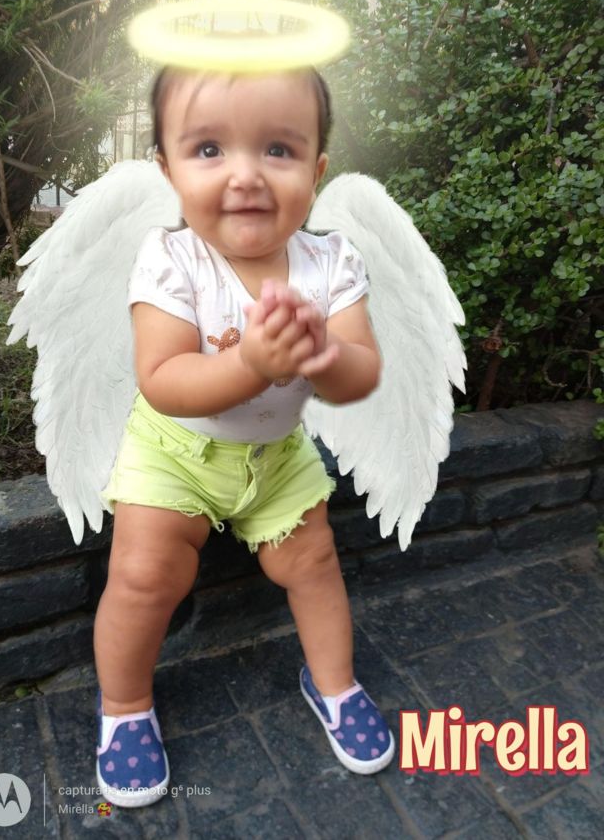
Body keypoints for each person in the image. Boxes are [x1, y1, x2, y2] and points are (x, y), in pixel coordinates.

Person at [94, 65, 395, 808]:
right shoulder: (172, 259)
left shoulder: (332, 264)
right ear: (167, 170)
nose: (246, 175)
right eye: (208, 149)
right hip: (173, 452)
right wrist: (251, 363)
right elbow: (164, 378)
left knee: (314, 560)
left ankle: (334, 683)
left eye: (278, 149)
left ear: (316, 171)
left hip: (277, 458)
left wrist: (325, 353)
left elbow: (360, 373)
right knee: (145, 575)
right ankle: (124, 705)